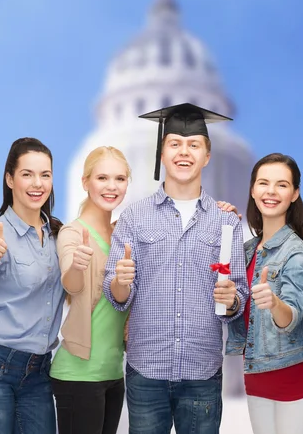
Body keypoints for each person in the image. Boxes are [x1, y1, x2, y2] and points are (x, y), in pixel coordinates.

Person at [102, 103, 249, 434]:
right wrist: (121, 283)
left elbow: (237, 294)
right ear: (162, 152)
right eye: (175, 144)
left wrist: (233, 299)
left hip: (203, 373)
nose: (184, 152)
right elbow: (116, 293)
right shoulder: (133, 217)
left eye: (194, 144)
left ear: (207, 155)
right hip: (146, 371)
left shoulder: (226, 221)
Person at [0, 137, 65, 434]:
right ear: (10, 179)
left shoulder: (59, 233)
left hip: (38, 371)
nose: (38, 184)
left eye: (45, 175)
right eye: (27, 174)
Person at [226, 153, 303, 434]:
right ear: (253, 190)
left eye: (282, 185)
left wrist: (274, 302)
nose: (271, 191)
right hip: (256, 381)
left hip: (295, 382)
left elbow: (292, 316)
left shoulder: (297, 252)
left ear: (294, 194)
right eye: (263, 183)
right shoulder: (245, 251)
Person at [49, 146, 131, 434]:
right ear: (86, 182)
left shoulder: (125, 234)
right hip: (78, 374)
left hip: (112, 373)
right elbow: (71, 284)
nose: (112, 187)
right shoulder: (73, 233)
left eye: (120, 179)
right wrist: (76, 266)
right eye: (102, 178)